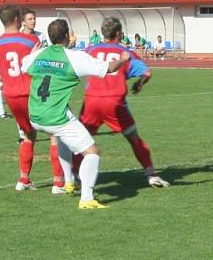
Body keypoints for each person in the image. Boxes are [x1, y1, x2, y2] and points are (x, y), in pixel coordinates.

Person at [21, 18, 131, 209]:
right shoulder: (75, 57)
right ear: (66, 36)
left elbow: (24, 65)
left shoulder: (38, 55)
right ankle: (87, 198)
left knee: (62, 137)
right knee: (93, 153)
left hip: (35, 116)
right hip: (55, 117)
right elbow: (109, 68)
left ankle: (69, 182)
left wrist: (36, 54)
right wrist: (123, 59)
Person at [78, 17, 170, 188]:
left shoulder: (90, 49)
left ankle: (72, 178)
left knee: (80, 141)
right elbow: (147, 73)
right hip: (115, 102)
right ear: (119, 33)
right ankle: (151, 175)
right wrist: (139, 83)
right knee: (134, 139)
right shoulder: (125, 52)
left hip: (91, 101)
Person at [0, 5, 68, 194]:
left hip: (10, 95)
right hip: (30, 94)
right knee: (54, 134)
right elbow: (43, 67)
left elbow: (0, 75)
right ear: (18, 19)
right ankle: (58, 183)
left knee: (28, 135)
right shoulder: (31, 41)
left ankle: (23, 179)